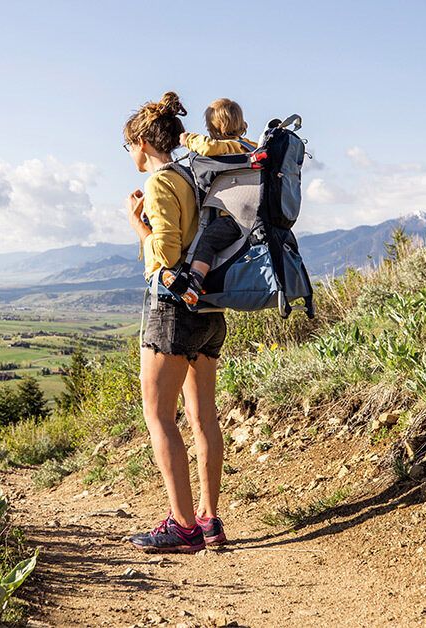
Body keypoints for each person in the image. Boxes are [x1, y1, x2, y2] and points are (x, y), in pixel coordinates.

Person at [124, 91, 227, 553]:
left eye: (129, 146)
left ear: (144, 142)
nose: (131, 155)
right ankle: (209, 518)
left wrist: (138, 227)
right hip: (208, 310)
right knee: (203, 415)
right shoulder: (191, 175)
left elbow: (165, 252)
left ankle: (183, 526)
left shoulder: (162, 182)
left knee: (158, 416)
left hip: (172, 311)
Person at [160, 98, 259, 308]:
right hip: (255, 216)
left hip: (232, 218)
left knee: (208, 241)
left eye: (209, 128)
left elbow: (207, 147)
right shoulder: (253, 147)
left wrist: (187, 139)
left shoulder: (227, 147)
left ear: (216, 129)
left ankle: (194, 284)